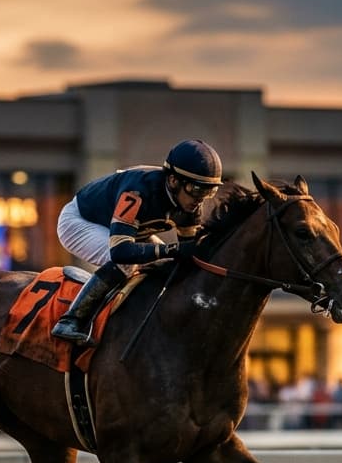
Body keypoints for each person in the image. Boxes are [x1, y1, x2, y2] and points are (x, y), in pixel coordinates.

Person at [50, 139, 222, 345]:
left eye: (208, 191)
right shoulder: (137, 192)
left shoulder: (191, 207)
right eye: (196, 189)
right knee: (128, 263)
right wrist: (174, 249)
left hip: (129, 229)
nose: (200, 199)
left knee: (164, 263)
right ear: (174, 181)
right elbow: (121, 252)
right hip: (80, 221)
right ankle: (71, 320)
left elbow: (188, 258)